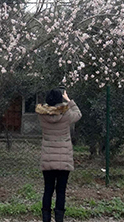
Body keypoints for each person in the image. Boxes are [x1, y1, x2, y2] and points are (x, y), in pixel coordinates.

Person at [35, 88, 82, 222]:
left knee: (48, 189)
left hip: (48, 158)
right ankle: (59, 219)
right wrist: (69, 100)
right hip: (64, 158)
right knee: (61, 191)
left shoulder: (42, 115)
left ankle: (46, 219)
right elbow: (78, 114)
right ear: (60, 99)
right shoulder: (67, 114)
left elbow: (47, 108)